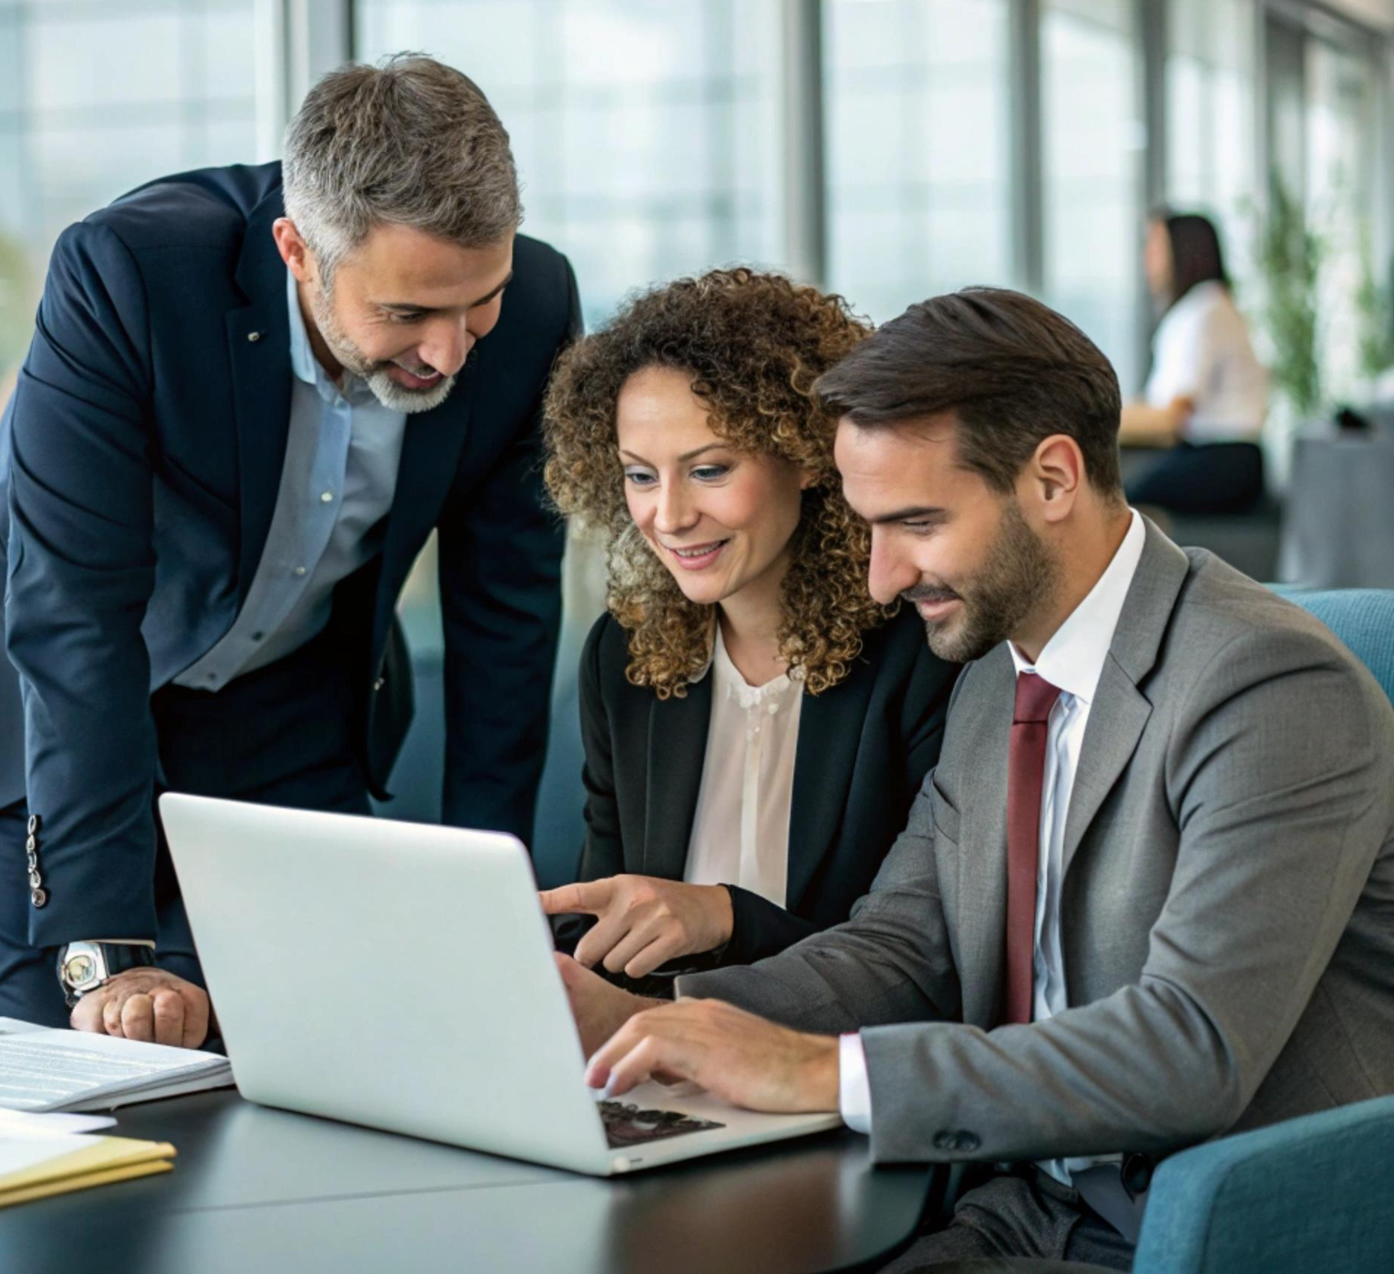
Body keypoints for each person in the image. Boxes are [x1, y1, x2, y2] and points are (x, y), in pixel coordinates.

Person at [559, 288, 1394, 1270]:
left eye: (916, 522)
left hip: (1207, 1225)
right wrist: (657, 1020)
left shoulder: (1266, 684)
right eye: (870, 526)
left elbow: (1189, 1045)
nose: (878, 578)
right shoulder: (997, 674)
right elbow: (903, 948)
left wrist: (825, 1073)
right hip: (1020, 1202)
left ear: (1051, 479)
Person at [0, 54, 580, 1043]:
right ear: (296, 250)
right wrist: (107, 950)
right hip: (44, 721)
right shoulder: (129, 275)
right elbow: (73, 616)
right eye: (406, 315)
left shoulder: (537, 309)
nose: (450, 352)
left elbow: (507, 615)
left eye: (479, 301)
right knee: (84, 1093)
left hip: (285, 713)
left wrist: (493, 908)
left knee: (333, 1057)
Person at [537, 270, 957, 987]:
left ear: (807, 455)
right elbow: (602, 922)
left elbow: (927, 965)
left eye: (708, 470)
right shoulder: (623, 657)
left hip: (831, 1078)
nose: (667, 517)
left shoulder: (924, 655)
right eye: (640, 476)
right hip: (656, 1070)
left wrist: (726, 917)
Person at [1120, 209, 1268, 513]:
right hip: (1224, 457)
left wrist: (1088, 421)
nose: (1147, 258)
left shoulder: (1203, 313)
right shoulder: (1209, 307)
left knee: (1115, 500)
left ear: (1182, 250)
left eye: (1155, 246)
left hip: (1224, 460)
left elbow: (1171, 417)